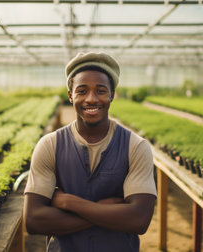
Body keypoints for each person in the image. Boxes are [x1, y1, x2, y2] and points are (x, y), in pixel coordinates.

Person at [23, 52, 157, 252]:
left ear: (112, 94)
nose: (91, 99)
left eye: (101, 91)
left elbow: (138, 220)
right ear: (70, 96)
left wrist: (69, 202)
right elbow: (34, 220)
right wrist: (108, 209)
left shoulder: (135, 147)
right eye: (82, 91)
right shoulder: (50, 145)